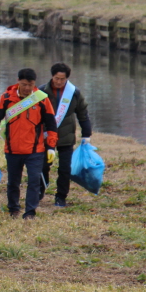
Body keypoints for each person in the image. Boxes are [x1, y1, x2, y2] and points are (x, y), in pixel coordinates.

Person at [0, 68, 58, 219]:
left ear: (34, 84)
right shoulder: (6, 98)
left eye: (30, 84)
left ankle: (30, 212)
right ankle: (13, 208)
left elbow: (51, 125)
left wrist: (51, 147)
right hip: (12, 150)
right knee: (13, 182)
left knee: (34, 181)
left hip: (35, 150)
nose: (27, 88)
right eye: (24, 84)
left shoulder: (42, 99)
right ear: (18, 81)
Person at [38, 63, 92, 208]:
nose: (59, 82)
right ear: (52, 76)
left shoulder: (74, 93)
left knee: (65, 169)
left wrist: (86, 134)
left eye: (62, 79)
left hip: (66, 137)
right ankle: (40, 190)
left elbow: (83, 114)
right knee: (42, 166)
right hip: (45, 137)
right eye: (57, 78)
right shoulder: (41, 91)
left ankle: (61, 197)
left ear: (67, 78)